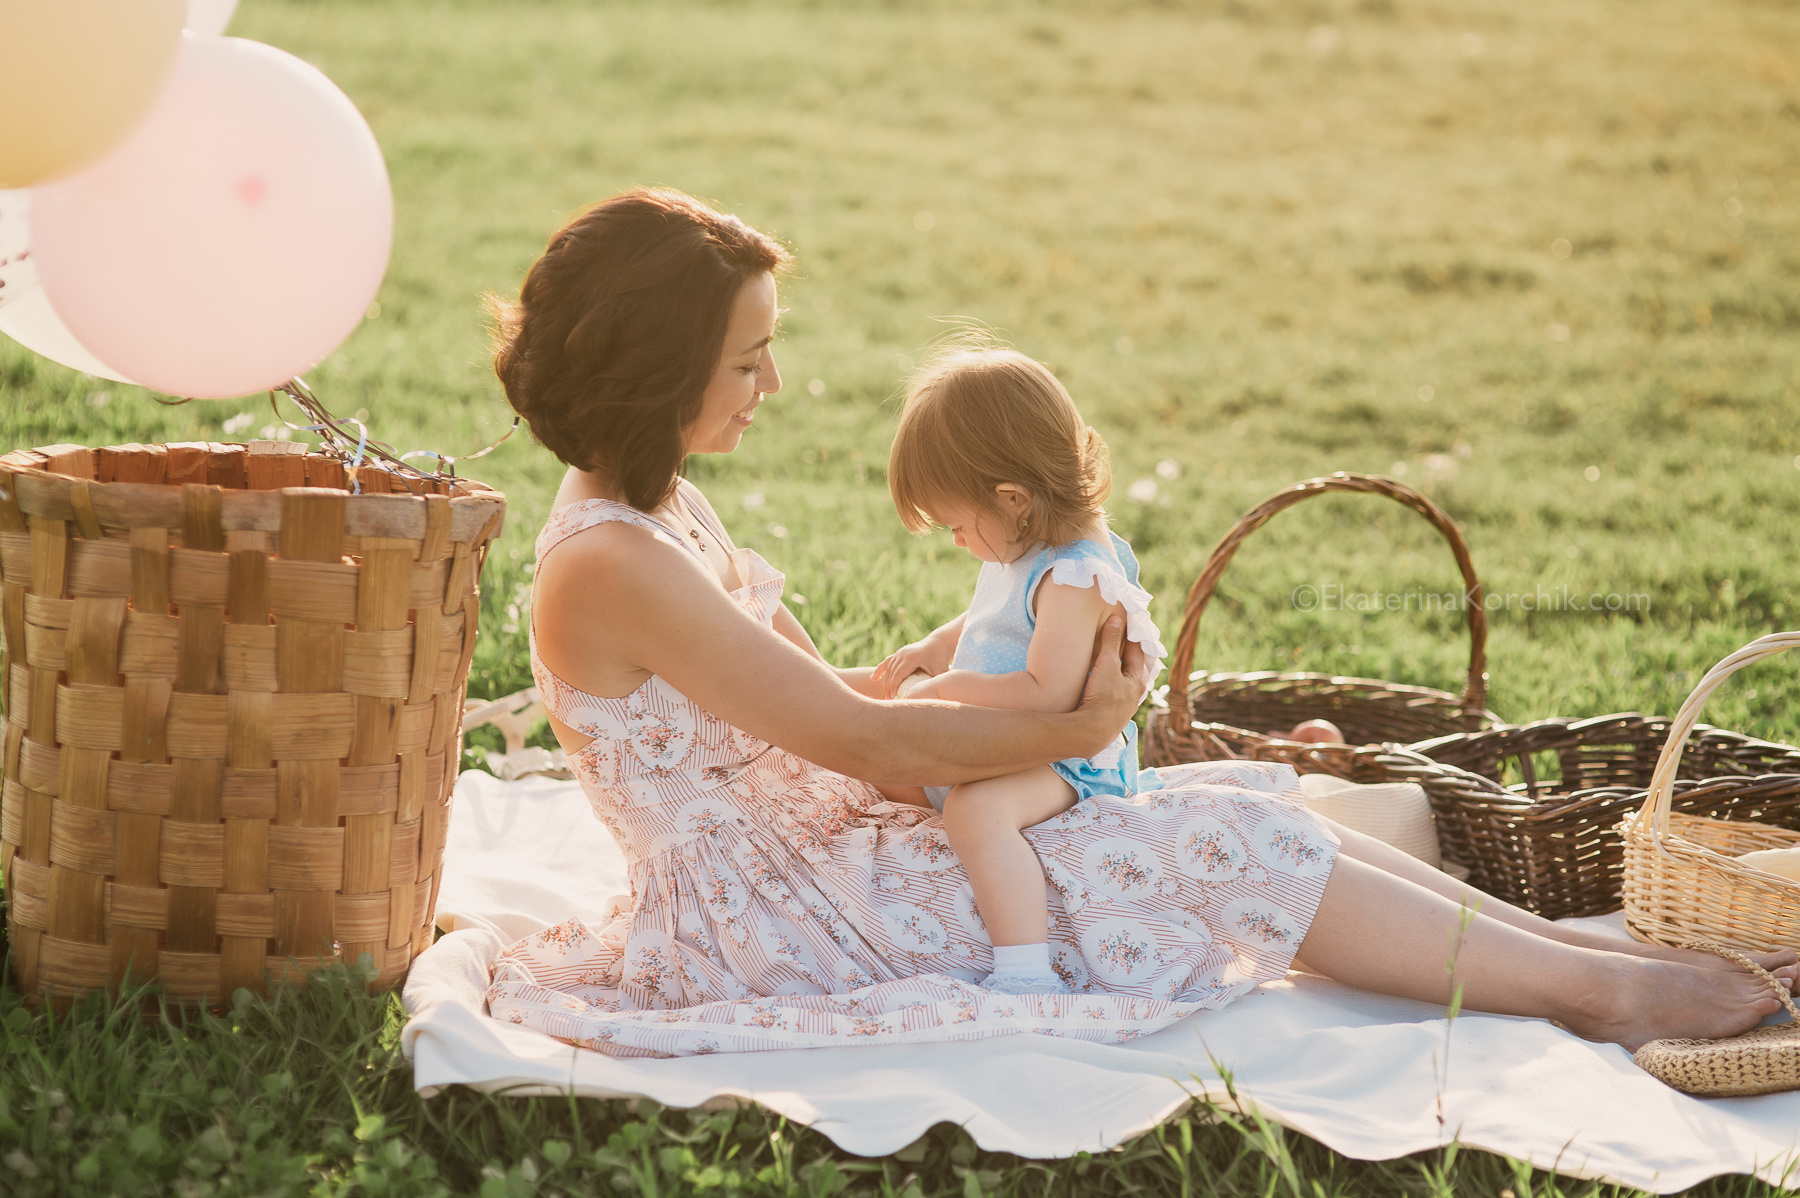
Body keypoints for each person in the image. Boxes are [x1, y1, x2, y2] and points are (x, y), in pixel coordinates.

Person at [483, 185, 1795, 1060]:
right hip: (782, 913)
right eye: (746, 357)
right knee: (1206, 827)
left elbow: (820, 700)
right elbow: (869, 746)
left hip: (819, 845)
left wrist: (955, 680)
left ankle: (1568, 953)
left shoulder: (659, 509)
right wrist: (1085, 717)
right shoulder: (609, 563)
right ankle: (1609, 993)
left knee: (1232, 791)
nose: (775, 380)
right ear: (658, 375)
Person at [866, 345, 1163, 995]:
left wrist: (948, 691)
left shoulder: (1076, 574)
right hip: (1012, 740)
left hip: (1068, 760)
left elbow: (1048, 692)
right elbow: (990, 622)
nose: (955, 540)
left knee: (976, 811)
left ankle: (1026, 971)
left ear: (1012, 498)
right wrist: (934, 647)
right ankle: (931, 887)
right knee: (885, 765)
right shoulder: (1027, 542)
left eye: (955, 524)